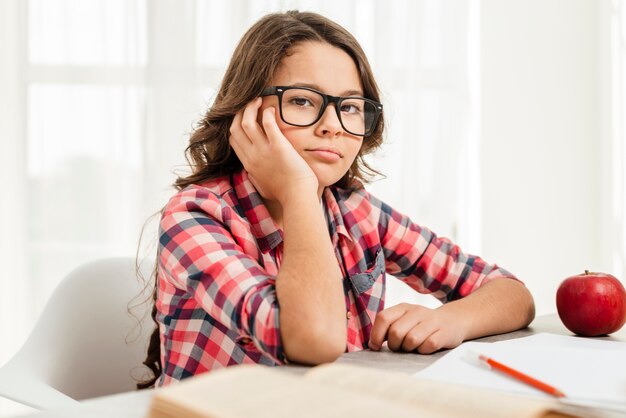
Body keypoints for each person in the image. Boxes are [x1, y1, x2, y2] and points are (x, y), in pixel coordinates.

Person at [139, 10, 535, 388]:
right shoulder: (195, 215)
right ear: (248, 112)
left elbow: (511, 293)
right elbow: (315, 340)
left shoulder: (356, 212)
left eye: (349, 107)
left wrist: (454, 320)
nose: (332, 126)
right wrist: (297, 191)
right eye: (302, 101)